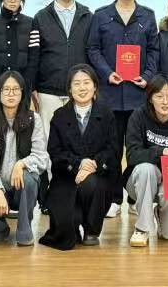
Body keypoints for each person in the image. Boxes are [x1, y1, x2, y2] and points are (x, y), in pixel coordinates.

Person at [86, 0, 160, 216]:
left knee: (138, 149)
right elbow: (93, 49)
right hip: (110, 94)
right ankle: (114, 198)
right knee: (112, 149)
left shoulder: (147, 16)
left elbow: (154, 51)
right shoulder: (101, 15)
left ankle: (136, 198)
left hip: (138, 96)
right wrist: (107, 72)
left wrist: (147, 77)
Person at [39, 64, 121, 250]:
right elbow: (55, 152)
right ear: (69, 89)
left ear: (95, 86)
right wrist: (78, 164)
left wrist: (93, 166)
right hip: (67, 176)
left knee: (92, 183)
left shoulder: (106, 114)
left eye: (86, 82)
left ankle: (91, 229)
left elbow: (112, 149)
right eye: (76, 84)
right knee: (65, 229)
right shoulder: (60, 116)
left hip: (98, 176)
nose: (82, 88)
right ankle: (75, 223)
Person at [31, 0, 93, 212]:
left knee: (78, 142)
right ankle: (51, 195)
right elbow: (35, 54)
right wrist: (33, 87)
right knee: (49, 143)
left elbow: (92, 51)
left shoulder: (87, 15)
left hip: (79, 91)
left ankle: (77, 192)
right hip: (48, 89)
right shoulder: (41, 16)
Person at [0, 70, 48, 245]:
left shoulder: (34, 120)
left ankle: (24, 227)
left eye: (16, 89)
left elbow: (41, 157)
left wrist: (21, 164)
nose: (11, 93)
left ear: (23, 93)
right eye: (6, 89)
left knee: (30, 178)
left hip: (21, 186)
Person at [124, 74, 168, 246]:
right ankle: (142, 228)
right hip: (140, 181)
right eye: (159, 96)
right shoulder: (138, 117)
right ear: (150, 98)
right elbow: (132, 155)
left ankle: (160, 214)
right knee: (146, 169)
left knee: (167, 235)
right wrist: (162, 152)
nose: (165, 102)